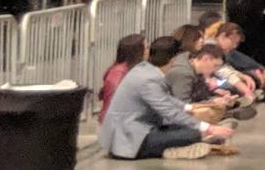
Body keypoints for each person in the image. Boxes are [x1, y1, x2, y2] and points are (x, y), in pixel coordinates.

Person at [97, 37, 235, 162]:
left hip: (140, 128)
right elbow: (168, 111)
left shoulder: (145, 71)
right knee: (191, 133)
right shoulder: (149, 79)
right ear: (173, 59)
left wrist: (189, 108)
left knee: (188, 129)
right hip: (130, 139)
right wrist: (208, 128)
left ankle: (195, 141)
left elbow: (165, 99)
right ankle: (180, 147)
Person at [95, 32, 147, 119]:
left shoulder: (136, 69)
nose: (148, 51)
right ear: (137, 52)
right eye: (146, 48)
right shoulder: (118, 73)